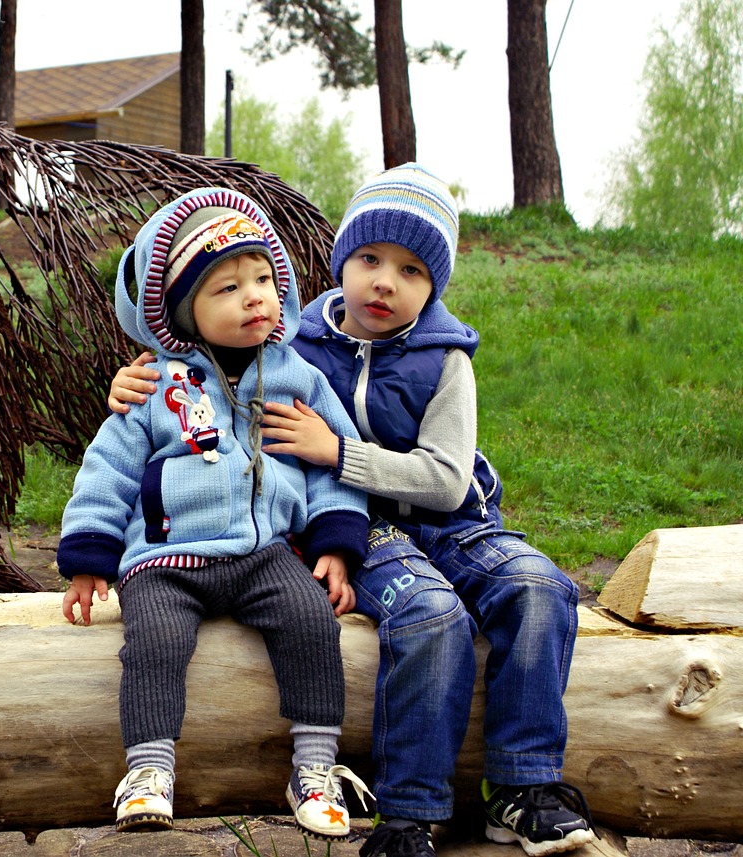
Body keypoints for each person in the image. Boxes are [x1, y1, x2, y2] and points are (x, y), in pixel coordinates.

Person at [107, 165, 595, 857]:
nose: (385, 281)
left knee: (544, 587)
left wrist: (337, 451)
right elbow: (206, 370)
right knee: (432, 615)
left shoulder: (446, 359)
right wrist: (137, 375)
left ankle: (522, 785)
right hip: (371, 526)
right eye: (369, 259)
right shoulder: (293, 340)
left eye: (411, 270)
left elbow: (449, 481)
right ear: (343, 261)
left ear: (436, 285)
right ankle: (410, 813)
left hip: (453, 516)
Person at [58, 187, 373, 839]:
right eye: (227, 288)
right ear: (185, 312)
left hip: (264, 554)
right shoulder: (154, 385)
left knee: (313, 622)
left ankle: (314, 767)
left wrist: (337, 544)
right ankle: (148, 769)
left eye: (262, 278)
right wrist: (89, 557)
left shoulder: (298, 377)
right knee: (155, 640)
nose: (254, 295)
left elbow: (332, 460)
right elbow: (107, 469)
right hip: (165, 560)